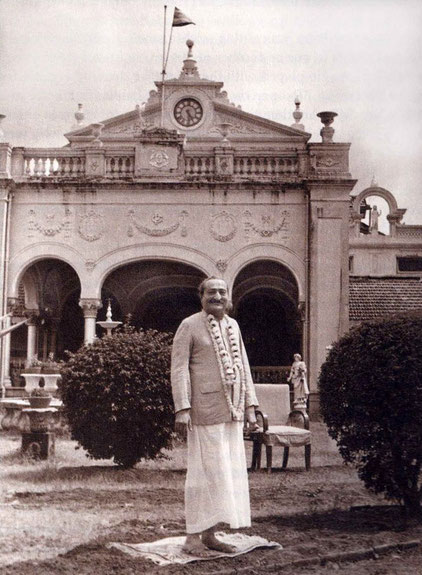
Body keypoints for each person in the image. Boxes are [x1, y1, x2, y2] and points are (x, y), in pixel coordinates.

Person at [171, 277, 259, 556]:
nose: (217, 296)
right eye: (211, 292)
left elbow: (243, 367)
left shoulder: (233, 325)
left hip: (231, 413)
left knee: (224, 475)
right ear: (201, 296)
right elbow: (179, 369)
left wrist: (250, 407)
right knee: (202, 475)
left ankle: (210, 534)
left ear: (228, 296)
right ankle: (191, 538)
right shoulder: (189, 325)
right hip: (203, 412)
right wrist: (182, 408)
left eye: (222, 291)